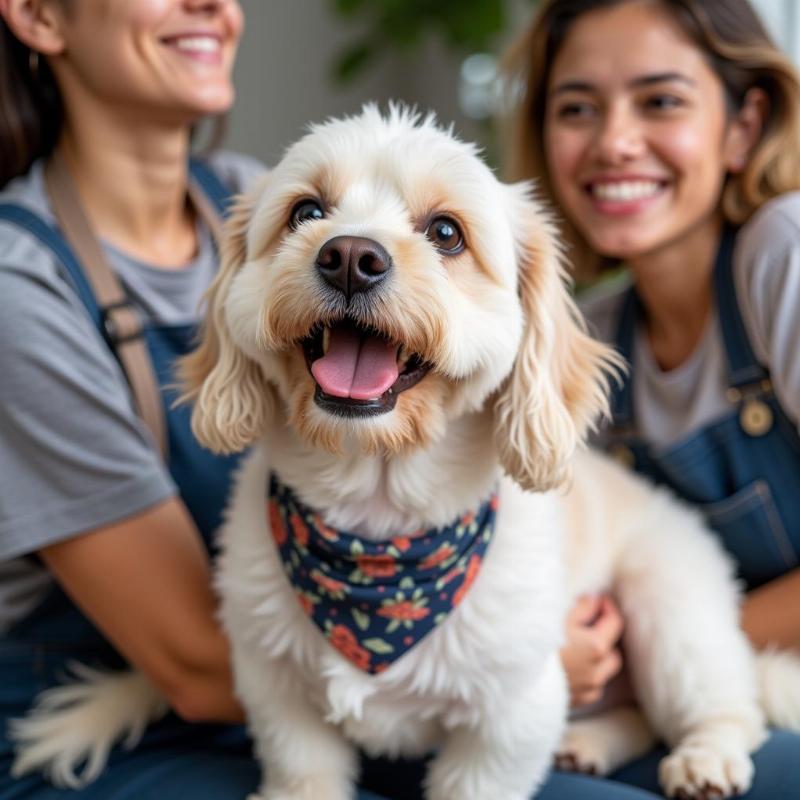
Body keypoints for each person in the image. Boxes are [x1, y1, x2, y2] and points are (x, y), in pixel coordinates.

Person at [0, 1, 392, 798]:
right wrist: (507, 674)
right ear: (39, 15)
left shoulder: (267, 204)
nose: (214, 5)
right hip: (107, 728)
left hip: (338, 679)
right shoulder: (18, 286)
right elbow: (196, 663)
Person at [504, 0, 800, 797]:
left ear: (744, 125)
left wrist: (682, 643)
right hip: (685, 699)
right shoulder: (590, 336)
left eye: (660, 100)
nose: (614, 143)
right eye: (577, 109)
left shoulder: (786, 254)